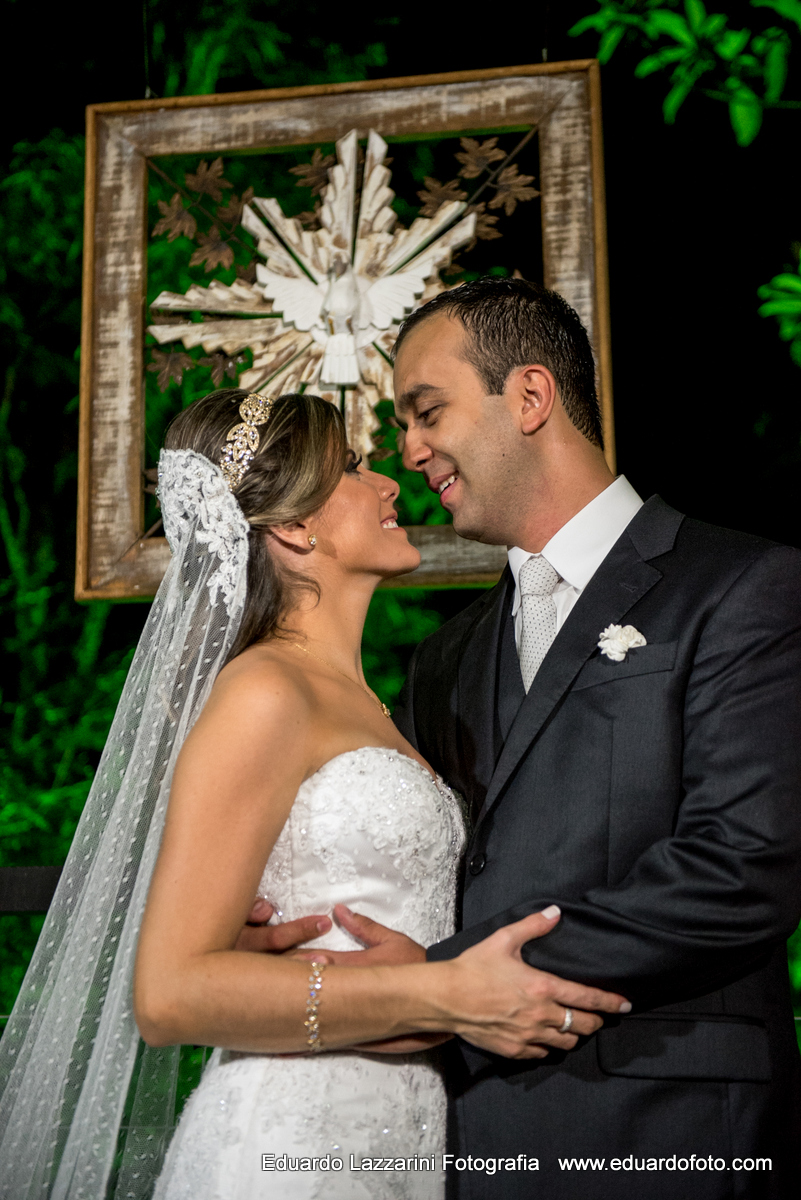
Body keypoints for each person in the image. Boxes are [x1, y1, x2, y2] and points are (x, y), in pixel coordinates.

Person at [243, 278, 801, 1200]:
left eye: (427, 413)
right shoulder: (444, 657)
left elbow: (744, 865)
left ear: (530, 396)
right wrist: (280, 908)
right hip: (463, 1135)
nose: (409, 451)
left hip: (671, 1128)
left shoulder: (743, 587)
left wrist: (451, 979)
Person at [0, 386, 628, 1200]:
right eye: (355, 467)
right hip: (290, 1138)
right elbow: (169, 993)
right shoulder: (265, 692)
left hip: (399, 1132)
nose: (388, 483)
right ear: (295, 528)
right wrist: (439, 993)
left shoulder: (374, 704)